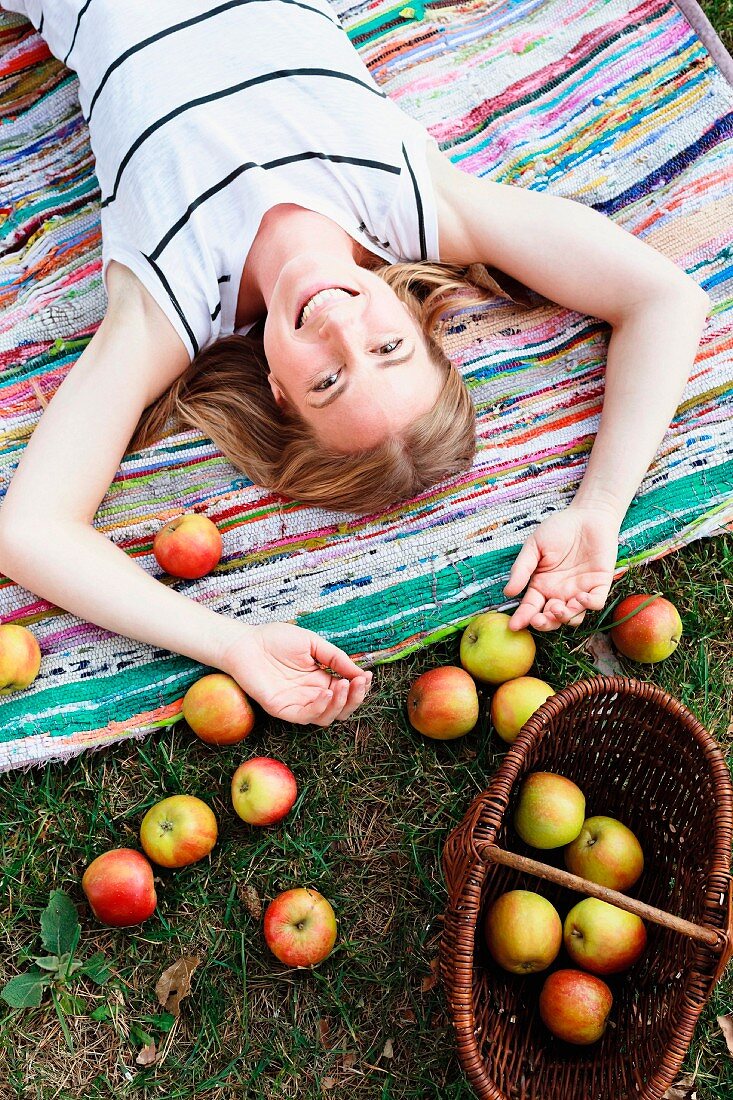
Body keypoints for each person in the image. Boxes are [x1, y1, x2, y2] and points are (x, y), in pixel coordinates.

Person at [0, 1, 710, 729]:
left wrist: (231, 644)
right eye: (387, 347)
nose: (340, 325)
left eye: (328, 380)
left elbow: (32, 530)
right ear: (414, 319)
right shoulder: (415, 205)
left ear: (277, 392)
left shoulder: (170, 304)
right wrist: (599, 509)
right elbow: (663, 299)